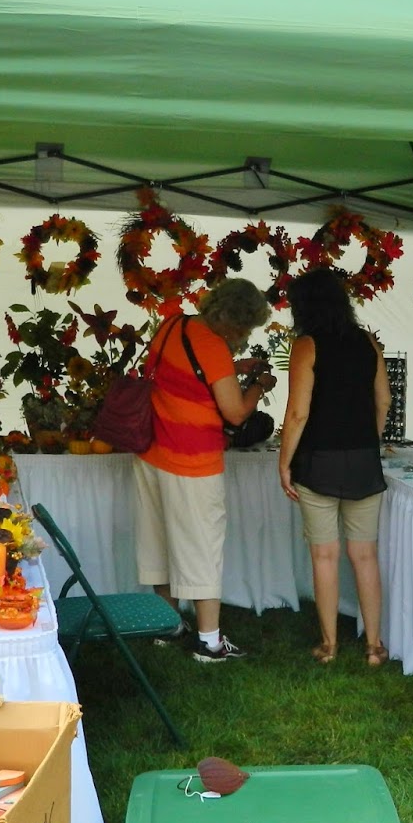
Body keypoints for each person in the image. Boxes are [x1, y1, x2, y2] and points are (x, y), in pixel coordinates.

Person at [136, 277, 274, 662]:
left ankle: (167, 626)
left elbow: (176, 374)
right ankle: (209, 642)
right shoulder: (213, 346)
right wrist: (258, 386)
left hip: (152, 452)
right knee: (202, 547)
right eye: (245, 328)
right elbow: (235, 412)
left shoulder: (172, 325)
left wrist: (233, 367)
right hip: (192, 461)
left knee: (160, 543)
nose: (243, 336)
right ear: (234, 322)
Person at [277, 267, 391, 666]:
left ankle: (329, 646)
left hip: (318, 462)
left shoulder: (306, 345)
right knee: (365, 556)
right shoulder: (368, 342)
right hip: (363, 463)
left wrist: (284, 462)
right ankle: (374, 647)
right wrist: (369, 439)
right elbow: (383, 401)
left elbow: (297, 413)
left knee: (325, 556)